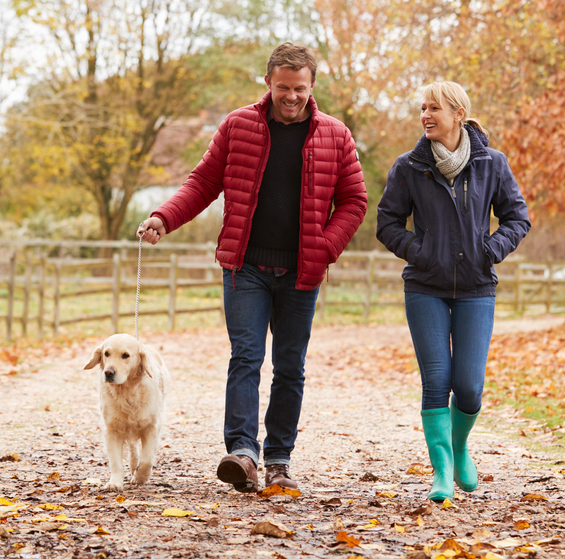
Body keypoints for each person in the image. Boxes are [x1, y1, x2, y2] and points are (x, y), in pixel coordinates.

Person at [137, 42, 367, 493]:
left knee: (289, 366)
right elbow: (202, 182)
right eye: (283, 87)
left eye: (300, 88)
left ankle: (279, 457)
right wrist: (164, 217)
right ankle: (243, 454)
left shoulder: (335, 135)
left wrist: (325, 246)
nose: (291, 96)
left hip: (302, 271)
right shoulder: (238, 125)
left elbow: (355, 201)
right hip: (245, 266)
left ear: (312, 86)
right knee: (246, 356)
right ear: (268, 82)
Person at [376, 81, 530, 503]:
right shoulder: (408, 167)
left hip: (477, 287)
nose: (426, 115)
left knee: (469, 386)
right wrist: (419, 252)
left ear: (458, 114)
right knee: (436, 380)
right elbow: (387, 223)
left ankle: (460, 446)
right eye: (423, 108)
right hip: (425, 287)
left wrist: (490, 249)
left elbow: (517, 218)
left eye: (435, 108)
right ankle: (442, 467)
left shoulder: (491, 164)